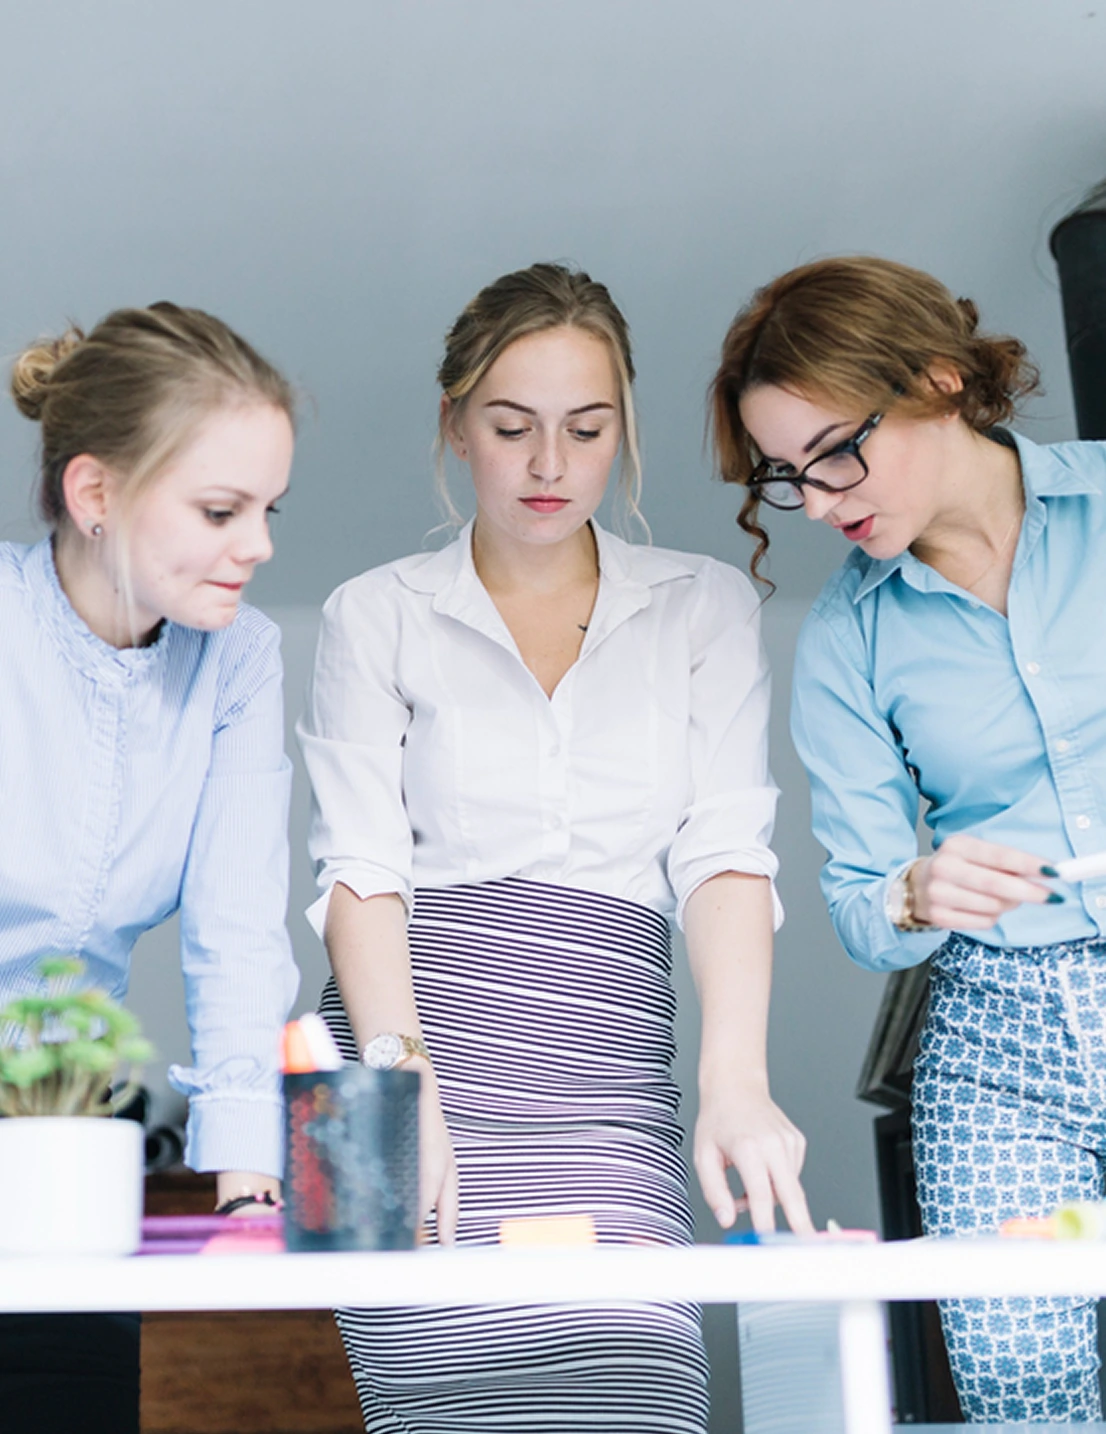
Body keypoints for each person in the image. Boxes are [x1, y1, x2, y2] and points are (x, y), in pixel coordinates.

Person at [299, 261, 812, 1433]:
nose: (548, 466)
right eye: (510, 426)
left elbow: (725, 857)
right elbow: (359, 872)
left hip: (605, 1076)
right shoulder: (368, 613)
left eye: (585, 430)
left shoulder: (702, 608)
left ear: (623, 428)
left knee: (631, 1394)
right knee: (435, 1408)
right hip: (396, 1052)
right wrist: (395, 1085)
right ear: (453, 426)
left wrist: (734, 1080)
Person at [709, 253, 1106, 1422]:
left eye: (835, 452)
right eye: (789, 477)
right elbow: (853, 904)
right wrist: (913, 894)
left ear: (937, 381)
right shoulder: (843, 639)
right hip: (1002, 1057)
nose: (821, 500)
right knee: (1022, 1393)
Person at [0, 302, 301, 1434]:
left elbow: (236, 939)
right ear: (95, 495)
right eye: (221, 510)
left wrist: (246, 1186)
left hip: (72, 1145)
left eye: (269, 509)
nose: (260, 544)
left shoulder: (239, 661)